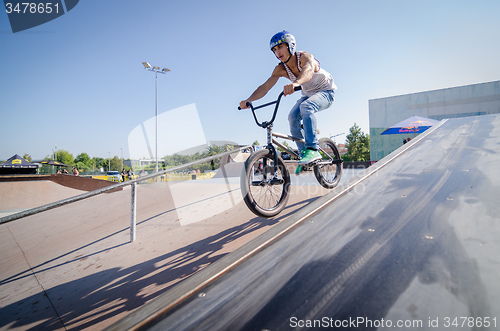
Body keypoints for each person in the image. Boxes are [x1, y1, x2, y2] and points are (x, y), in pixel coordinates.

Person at [240, 31, 337, 174]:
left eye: (280, 47)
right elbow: (265, 87)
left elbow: (308, 70)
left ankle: (312, 149)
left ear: (290, 46)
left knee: (306, 106)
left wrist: (296, 83)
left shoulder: (304, 57)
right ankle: (304, 155)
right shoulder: (280, 69)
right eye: (274, 50)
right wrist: (249, 100)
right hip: (308, 94)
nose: (277, 52)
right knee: (292, 117)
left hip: (326, 91)